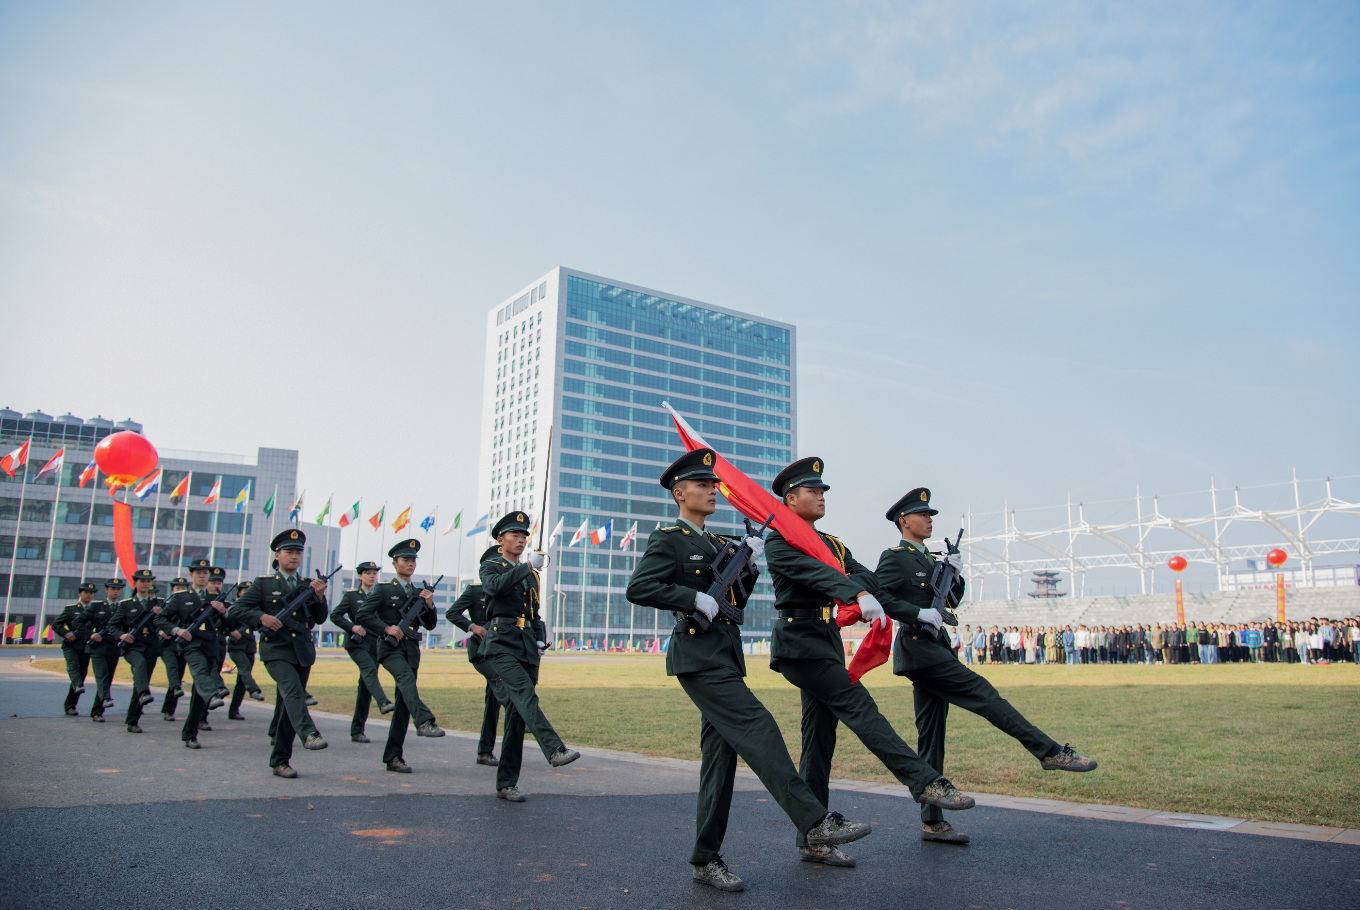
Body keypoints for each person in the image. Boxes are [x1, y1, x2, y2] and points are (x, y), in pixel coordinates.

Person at [626, 449, 873, 890]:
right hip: (697, 655)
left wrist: (749, 562)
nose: (711, 490)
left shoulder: (720, 543)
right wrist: (691, 599)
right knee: (758, 725)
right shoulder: (669, 538)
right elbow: (641, 586)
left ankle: (706, 859)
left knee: (719, 763)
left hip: (726, 654)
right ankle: (814, 820)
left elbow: (735, 596)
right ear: (679, 494)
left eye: (712, 484)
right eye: (701, 485)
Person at [763, 457, 974, 858]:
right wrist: (853, 591)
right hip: (799, 643)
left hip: (825, 639)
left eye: (823, 490)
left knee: (819, 741)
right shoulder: (779, 539)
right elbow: (817, 574)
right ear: (790, 499)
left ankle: (812, 839)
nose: (821, 496)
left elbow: (868, 576)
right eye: (813, 491)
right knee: (860, 708)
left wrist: (856, 585)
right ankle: (922, 780)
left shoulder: (833, 544)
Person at [876, 487, 1097, 845]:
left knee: (931, 734)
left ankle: (932, 821)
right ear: (904, 521)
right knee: (983, 694)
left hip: (937, 646)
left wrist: (954, 574)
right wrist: (916, 612)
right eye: (923, 515)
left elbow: (952, 600)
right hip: (918, 646)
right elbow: (880, 595)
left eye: (931, 515)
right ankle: (1050, 752)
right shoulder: (895, 557)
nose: (930, 520)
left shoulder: (932, 559)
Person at [478, 511, 581, 801]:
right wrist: (525, 567)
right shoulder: (491, 566)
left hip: (525, 646)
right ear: (500, 540)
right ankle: (555, 749)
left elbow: (533, 613)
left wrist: (539, 636)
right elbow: (495, 587)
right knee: (525, 696)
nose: (521, 540)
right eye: (515, 535)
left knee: (516, 716)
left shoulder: (530, 575)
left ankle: (506, 783)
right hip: (500, 643)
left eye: (524, 536)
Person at [226, 529, 330, 777]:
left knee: (287, 707)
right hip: (276, 650)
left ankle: (280, 761)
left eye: (298, 553)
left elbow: (319, 618)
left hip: (302, 650)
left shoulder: (307, 585)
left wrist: (320, 596)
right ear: (277, 555)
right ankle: (309, 733)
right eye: (289, 552)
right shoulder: (263, 583)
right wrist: (262, 617)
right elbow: (236, 610)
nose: (294, 557)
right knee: (293, 691)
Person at [357, 540, 445, 772]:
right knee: (405, 679)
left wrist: (430, 604)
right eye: (405, 560)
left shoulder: (419, 593)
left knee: (404, 704)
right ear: (395, 563)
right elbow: (363, 614)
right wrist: (386, 627)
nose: (410, 564)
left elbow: (430, 624)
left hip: (411, 651)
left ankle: (393, 757)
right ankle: (425, 721)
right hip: (390, 648)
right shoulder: (384, 589)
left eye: (413, 560)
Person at [159, 560, 229, 748]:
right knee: (199, 671)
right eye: (198, 572)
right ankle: (214, 695)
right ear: (191, 575)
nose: (202, 575)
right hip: (190, 644)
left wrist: (224, 613)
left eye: (205, 573)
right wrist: (176, 630)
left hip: (210, 645)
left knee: (198, 695)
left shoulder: (215, 598)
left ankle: (190, 734)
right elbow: (161, 619)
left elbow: (229, 626)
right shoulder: (181, 596)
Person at [445, 546, 505, 766]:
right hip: (481, 651)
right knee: (502, 685)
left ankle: (485, 751)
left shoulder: (509, 591)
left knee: (493, 702)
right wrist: (472, 626)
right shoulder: (474, 591)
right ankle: (523, 715)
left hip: (501, 651)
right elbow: (452, 612)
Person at [330, 560, 395, 742]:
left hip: (375, 643)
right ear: (360, 576)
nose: (372, 576)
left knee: (366, 687)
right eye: (367, 573)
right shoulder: (352, 596)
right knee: (369, 670)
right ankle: (383, 702)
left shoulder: (381, 594)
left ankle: (357, 730)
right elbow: (335, 615)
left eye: (374, 573)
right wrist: (352, 627)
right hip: (357, 643)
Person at [111, 568, 166, 733]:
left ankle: (133, 721)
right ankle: (144, 693)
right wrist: (121, 635)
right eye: (142, 581)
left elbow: (169, 621)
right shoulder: (126, 604)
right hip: (132, 646)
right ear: (135, 583)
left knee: (141, 681)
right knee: (140, 665)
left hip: (150, 646)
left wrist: (162, 614)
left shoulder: (158, 603)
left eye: (149, 581)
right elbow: (112, 625)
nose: (146, 584)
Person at [78, 579, 125, 721]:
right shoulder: (96, 606)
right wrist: (90, 634)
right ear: (106, 590)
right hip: (97, 647)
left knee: (108, 678)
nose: (116, 591)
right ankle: (106, 698)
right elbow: (77, 622)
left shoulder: (122, 607)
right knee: (102, 675)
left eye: (118, 589)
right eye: (112, 588)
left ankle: (97, 711)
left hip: (113, 647)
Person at [53, 581, 96, 715]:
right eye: (86, 593)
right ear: (80, 594)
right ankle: (75, 690)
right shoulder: (71, 609)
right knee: (73, 666)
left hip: (85, 646)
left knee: (82, 674)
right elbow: (56, 625)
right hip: (70, 645)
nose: (88, 595)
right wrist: (66, 633)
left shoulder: (95, 610)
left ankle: (71, 705)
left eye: (91, 593)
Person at [226, 581, 264, 718]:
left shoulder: (255, 609)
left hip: (249, 644)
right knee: (244, 668)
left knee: (242, 679)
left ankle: (234, 710)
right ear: (239, 593)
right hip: (236, 644)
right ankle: (254, 690)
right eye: (244, 590)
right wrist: (231, 632)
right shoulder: (232, 607)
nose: (247, 593)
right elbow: (223, 624)